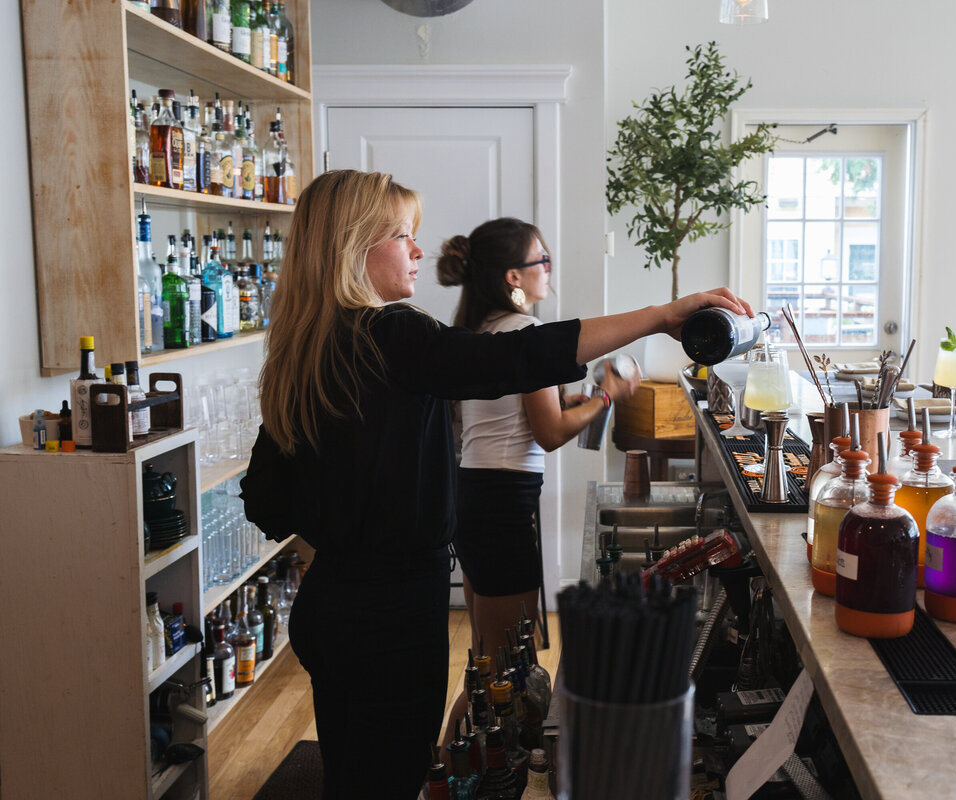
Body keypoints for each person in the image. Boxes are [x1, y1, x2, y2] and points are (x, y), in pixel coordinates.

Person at [239, 169, 753, 799]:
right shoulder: (389, 334)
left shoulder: (308, 346)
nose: (418, 250)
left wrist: (348, 511)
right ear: (351, 247)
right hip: (391, 618)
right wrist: (658, 316)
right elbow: (519, 358)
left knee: (353, 776)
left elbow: (264, 501)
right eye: (401, 236)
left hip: (331, 604)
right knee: (390, 780)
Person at [435, 218, 639, 747]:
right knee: (505, 666)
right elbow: (548, 434)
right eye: (540, 260)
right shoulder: (524, 335)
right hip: (501, 505)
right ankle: (453, 769)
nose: (549, 268)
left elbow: (512, 416)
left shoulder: (482, 330)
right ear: (513, 277)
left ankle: (457, 766)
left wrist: (573, 399)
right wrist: (608, 396)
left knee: (489, 660)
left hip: (477, 495)